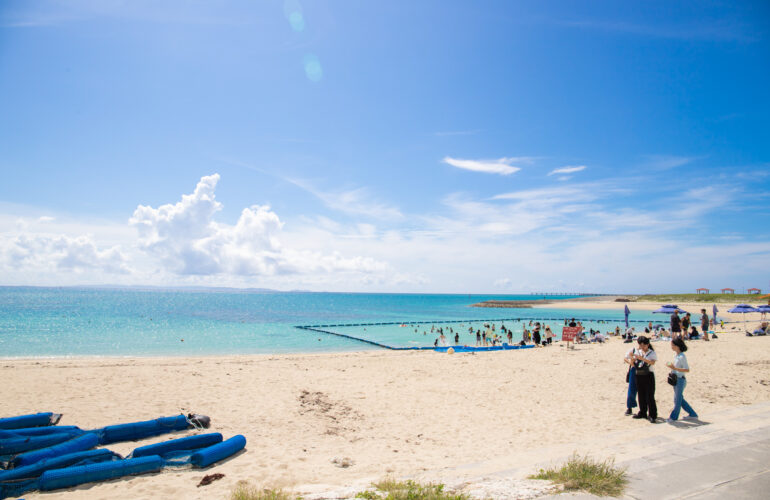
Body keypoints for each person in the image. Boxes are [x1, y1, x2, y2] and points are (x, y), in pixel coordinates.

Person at [666, 337, 698, 421]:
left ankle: (673, 417)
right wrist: (671, 366)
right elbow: (676, 367)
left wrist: (675, 368)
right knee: (679, 399)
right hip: (676, 379)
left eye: (672, 345)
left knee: (677, 400)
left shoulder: (682, 356)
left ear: (677, 346)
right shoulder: (677, 356)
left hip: (680, 380)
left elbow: (687, 369)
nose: (671, 346)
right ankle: (693, 414)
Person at [632, 336, 658, 423]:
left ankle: (652, 415)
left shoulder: (651, 353)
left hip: (649, 375)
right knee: (641, 394)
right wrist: (633, 358)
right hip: (639, 374)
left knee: (649, 395)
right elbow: (633, 363)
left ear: (648, 344)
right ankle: (643, 412)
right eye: (640, 345)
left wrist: (642, 358)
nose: (642, 347)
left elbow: (653, 362)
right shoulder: (638, 351)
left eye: (644, 345)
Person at [624, 344, 639, 415]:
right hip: (633, 370)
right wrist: (631, 362)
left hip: (643, 371)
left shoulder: (645, 351)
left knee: (643, 391)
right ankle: (629, 408)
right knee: (631, 390)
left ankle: (643, 409)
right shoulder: (633, 350)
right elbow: (625, 358)